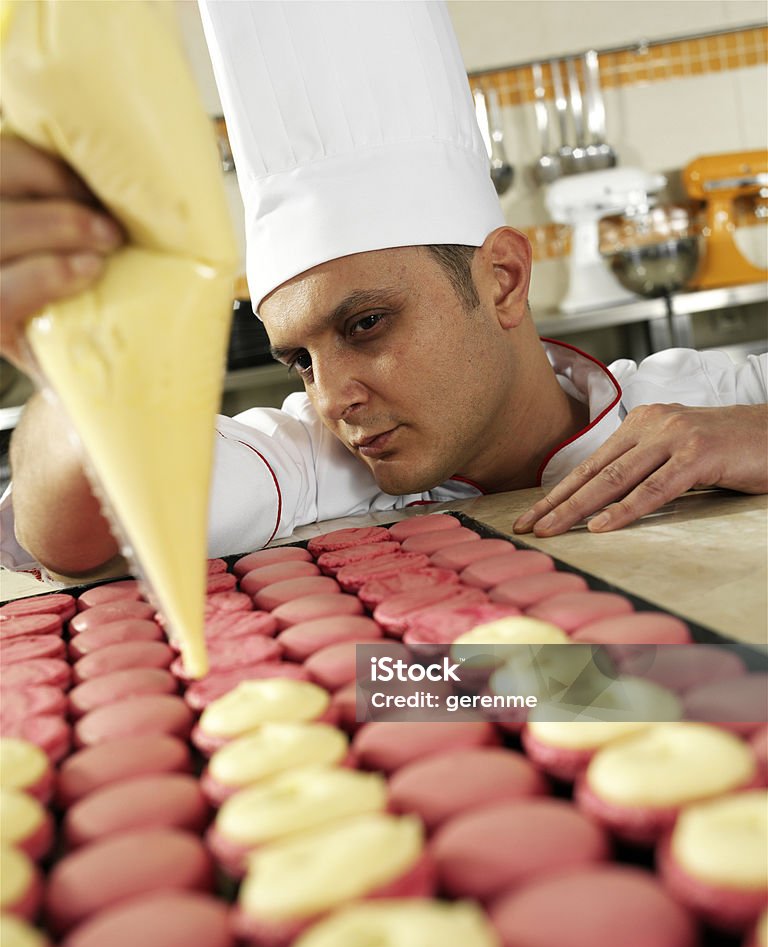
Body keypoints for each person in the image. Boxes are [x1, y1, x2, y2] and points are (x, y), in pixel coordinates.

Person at [1, 1, 766, 580]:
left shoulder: (702, 398)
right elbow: (72, 524)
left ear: (503, 279)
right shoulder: (310, 463)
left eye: (366, 323)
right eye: (300, 359)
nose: (332, 398)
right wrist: (74, 369)